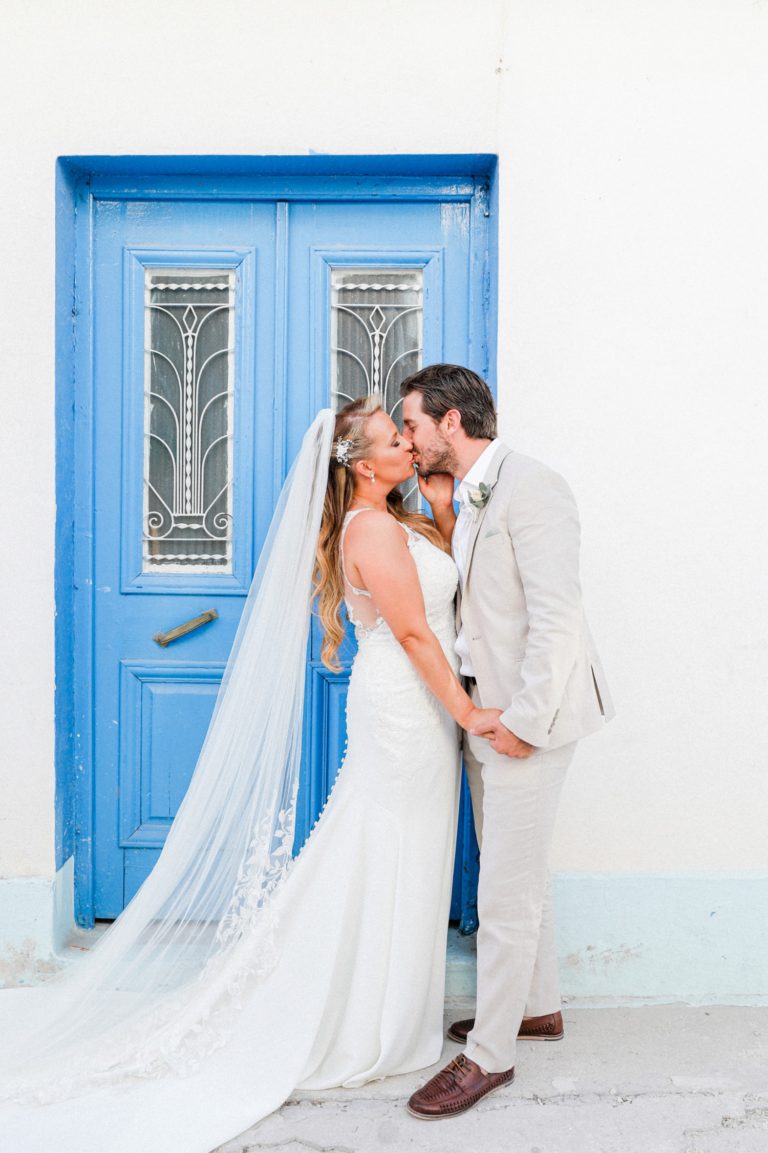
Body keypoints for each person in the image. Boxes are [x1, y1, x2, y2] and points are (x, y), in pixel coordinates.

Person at [0, 396, 499, 1153]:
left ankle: (390, 1009)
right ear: (365, 466)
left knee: (401, 847)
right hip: (405, 706)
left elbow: (449, 593)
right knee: (381, 846)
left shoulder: (402, 517)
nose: (409, 444)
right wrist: (468, 714)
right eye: (397, 440)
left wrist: (444, 514)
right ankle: (358, 1016)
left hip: (414, 704)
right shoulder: (370, 528)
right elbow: (411, 630)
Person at [401, 363, 615, 1119]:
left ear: (451, 423)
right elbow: (486, 602)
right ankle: (537, 1006)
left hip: (532, 720)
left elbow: (557, 618)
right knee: (515, 870)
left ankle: (490, 1054)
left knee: (505, 893)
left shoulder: (535, 486)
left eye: (415, 425)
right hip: (489, 716)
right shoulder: (464, 494)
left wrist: (522, 723)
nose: (409, 438)